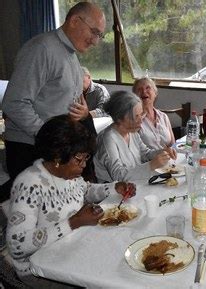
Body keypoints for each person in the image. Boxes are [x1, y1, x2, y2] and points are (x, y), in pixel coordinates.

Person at [6, 115, 135, 287]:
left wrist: (114, 188)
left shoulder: (70, 175)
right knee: (107, 277)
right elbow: (17, 245)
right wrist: (74, 222)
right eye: (79, 159)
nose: (83, 165)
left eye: (86, 158)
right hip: (40, 270)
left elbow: (86, 190)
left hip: (71, 247)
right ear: (58, 157)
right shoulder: (30, 185)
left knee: (122, 255)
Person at [1, 2, 106, 201]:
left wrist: (83, 112)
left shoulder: (71, 55)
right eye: (94, 32)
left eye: (99, 35)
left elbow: (63, 99)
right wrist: (49, 137)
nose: (95, 41)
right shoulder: (42, 48)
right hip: (31, 148)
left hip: (56, 147)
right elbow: (14, 102)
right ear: (75, 21)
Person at [94, 91, 177, 183]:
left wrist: (162, 152)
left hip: (136, 183)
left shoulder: (131, 132)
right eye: (135, 117)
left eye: (141, 114)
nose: (141, 120)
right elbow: (117, 176)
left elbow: (145, 154)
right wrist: (151, 165)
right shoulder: (108, 139)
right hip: (114, 192)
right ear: (119, 118)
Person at [132, 77, 175, 149]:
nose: (144, 91)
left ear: (155, 93)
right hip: (148, 160)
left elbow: (172, 144)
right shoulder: (133, 120)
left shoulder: (163, 116)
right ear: (134, 96)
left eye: (148, 88)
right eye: (139, 89)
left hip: (167, 158)